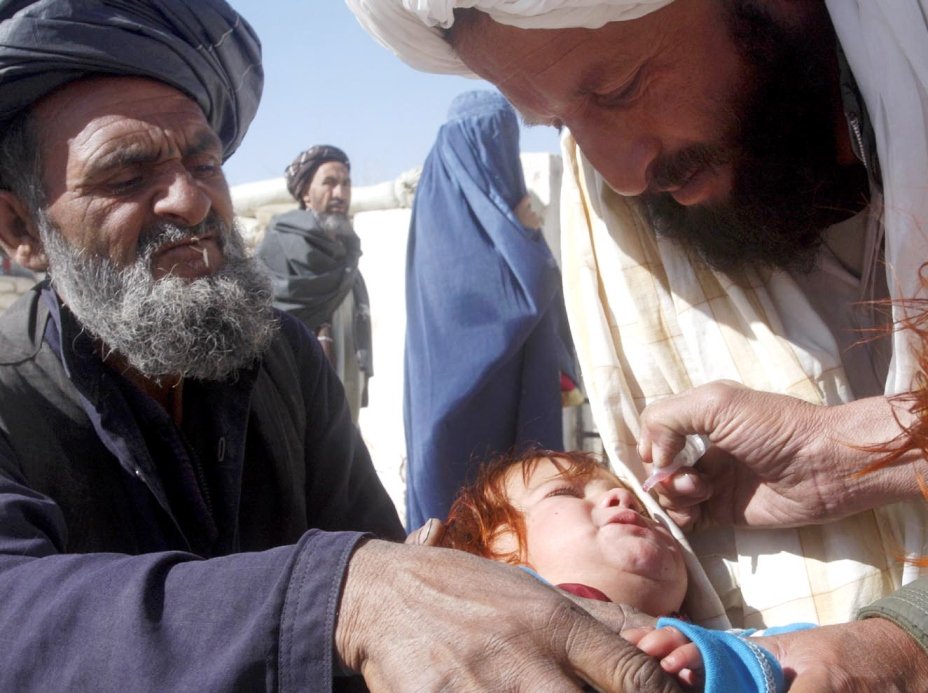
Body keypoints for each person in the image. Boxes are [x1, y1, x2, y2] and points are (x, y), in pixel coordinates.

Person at [0, 1, 685, 690]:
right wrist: (336, 596)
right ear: (19, 227)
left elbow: (392, 585)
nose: (191, 200)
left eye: (205, 163)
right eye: (126, 175)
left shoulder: (280, 359)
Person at [345, 0, 928, 687]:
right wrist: (852, 455)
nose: (619, 175)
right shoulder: (628, 218)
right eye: (562, 125)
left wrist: (901, 640)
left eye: (618, 90)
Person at [441, 447, 814, 693]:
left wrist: (720, 662)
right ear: (498, 553)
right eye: (564, 493)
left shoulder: (711, 645)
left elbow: (806, 656)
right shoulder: (477, 643)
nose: (622, 499)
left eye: (640, 505)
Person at [404, 89, 580, 528]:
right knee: (463, 505)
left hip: (497, 381)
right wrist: (528, 240)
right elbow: (500, 297)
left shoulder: (473, 197)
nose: (500, 154)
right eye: (490, 141)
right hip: (463, 389)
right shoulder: (448, 205)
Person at [255, 145, 372, 423]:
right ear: (306, 193)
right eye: (329, 183)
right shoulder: (277, 250)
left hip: (345, 395)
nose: (340, 194)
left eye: (346, 184)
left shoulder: (347, 255)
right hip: (292, 397)